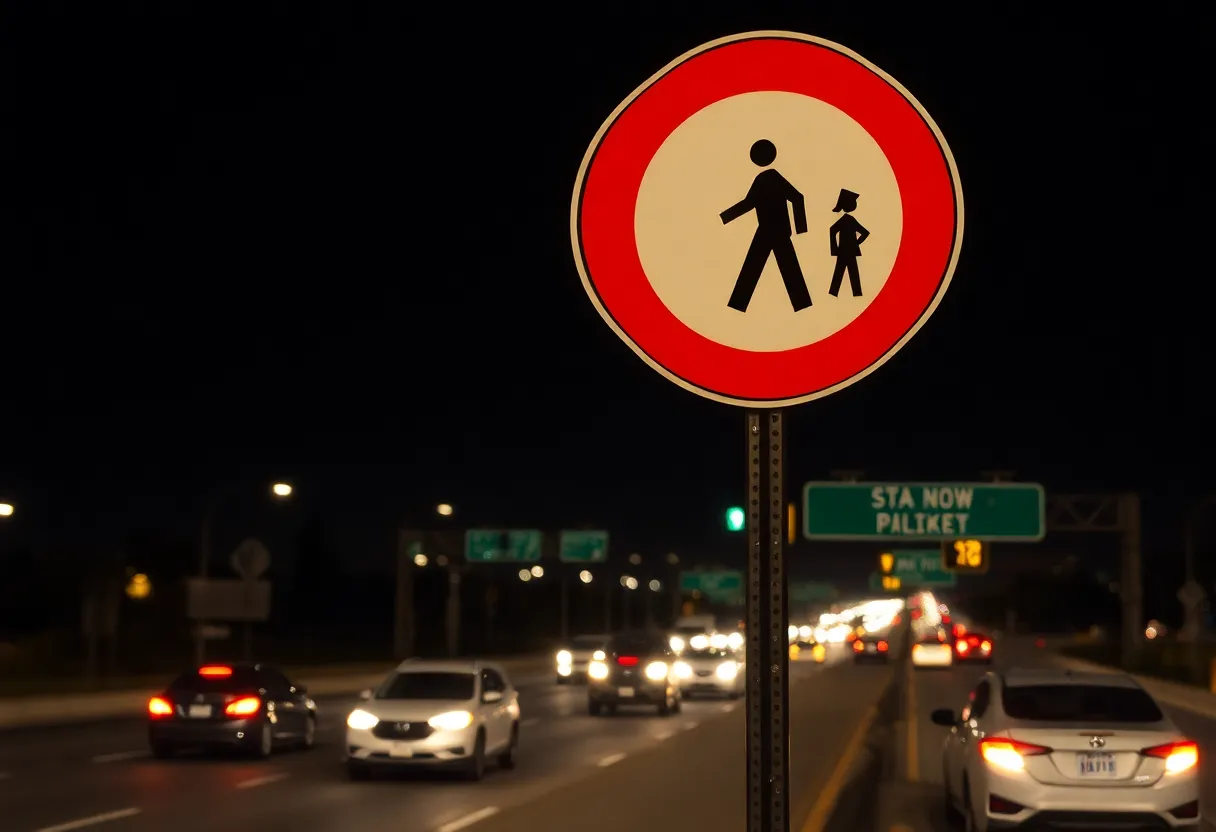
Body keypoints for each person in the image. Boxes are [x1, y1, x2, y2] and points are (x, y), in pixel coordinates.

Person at [720, 139, 812, 312]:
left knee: (753, 267)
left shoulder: (764, 178)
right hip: (777, 231)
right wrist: (800, 229)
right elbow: (797, 198)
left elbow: (749, 203)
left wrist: (725, 217)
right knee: (785, 267)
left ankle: (738, 304)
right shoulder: (772, 177)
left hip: (767, 231)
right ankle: (802, 304)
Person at [828, 189, 870, 297]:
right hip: (850, 251)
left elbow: (832, 230)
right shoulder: (849, 220)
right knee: (851, 273)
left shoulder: (846, 220)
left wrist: (835, 249)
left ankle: (834, 293)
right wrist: (856, 243)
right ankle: (856, 294)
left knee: (840, 272)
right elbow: (865, 233)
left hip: (843, 251)